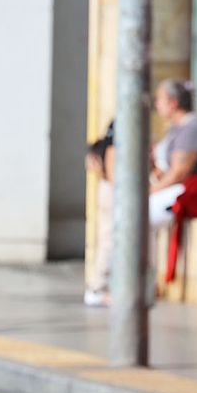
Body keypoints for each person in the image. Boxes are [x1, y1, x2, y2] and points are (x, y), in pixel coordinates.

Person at [148, 79, 197, 228]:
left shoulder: (191, 127)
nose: (156, 104)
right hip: (181, 188)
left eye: (159, 99)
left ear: (173, 102)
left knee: (141, 211)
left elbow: (179, 173)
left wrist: (151, 190)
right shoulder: (175, 127)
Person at [84, 120, 115, 307]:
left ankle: (99, 286)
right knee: (109, 240)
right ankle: (97, 288)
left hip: (107, 189)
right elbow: (112, 167)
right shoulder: (122, 129)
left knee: (107, 239)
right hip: (112, 191)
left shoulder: (115, 126)